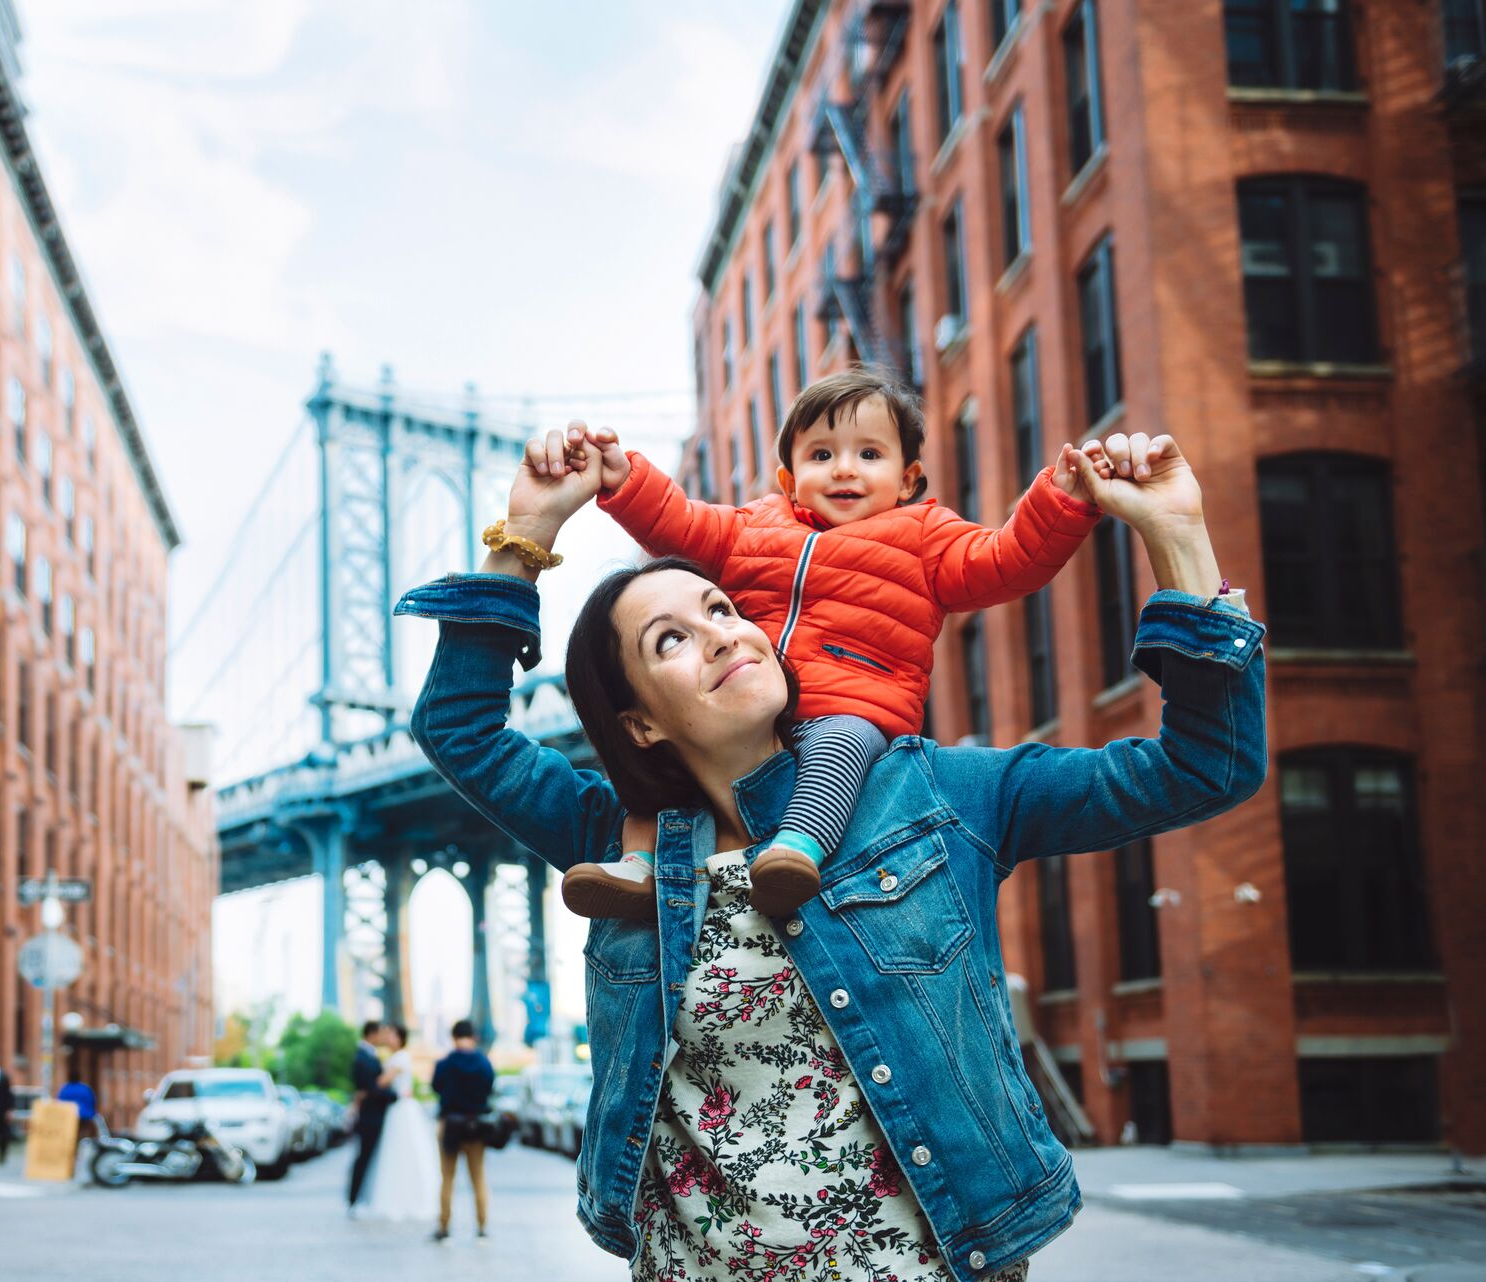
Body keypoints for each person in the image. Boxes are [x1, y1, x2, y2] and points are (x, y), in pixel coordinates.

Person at [393, 426, 1266, 1282]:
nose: (722, 636)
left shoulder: (933, 798)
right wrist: (528, 533)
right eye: (670, 641)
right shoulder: (615, 848)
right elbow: (459, 729)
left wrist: (1178, 537)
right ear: (640, 722)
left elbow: (1204, 767)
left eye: (722, 610)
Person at [563, 368, 1102, 920]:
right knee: (667, 775)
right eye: (821, 455)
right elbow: (680, 523)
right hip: (756, 705)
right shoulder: (754, 525)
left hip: (854, 705)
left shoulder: (925, 536)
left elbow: (1005, 561)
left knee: (837, 748)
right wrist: (626, 481)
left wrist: (1059, 502)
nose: (844, 468)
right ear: (789, 479)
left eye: (870, 454)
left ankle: (796, 850)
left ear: (908, 477)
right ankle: (637, 867)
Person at [352, 1022, 440, 1224]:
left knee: (401, 1153)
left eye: (390, 1034)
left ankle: (403, 1198)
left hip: (401, 1109)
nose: (386, 1038)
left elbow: (380, 1083)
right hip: (395, 1109)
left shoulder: (400, 1058)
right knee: (395, 1154)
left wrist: (363, 1091)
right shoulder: (392, 1058)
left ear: (399, 1038)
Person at [431, 1019, 497, 1242]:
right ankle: (482, 1226)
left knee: (447, 1178)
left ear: (453, 1037)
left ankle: (444, 1225)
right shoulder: (483, 1063)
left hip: (450, 1125)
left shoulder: (445, 1063)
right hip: (476, 1126)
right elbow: (489, 1086)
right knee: (478, 1177)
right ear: (474, 1037)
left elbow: (436, 1086)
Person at [347, 1020, 397, 1213]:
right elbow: (370, 1088)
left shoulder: (369, 1056)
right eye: (381, 1034)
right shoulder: (362, 1058)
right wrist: (394, 1096)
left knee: (369, 1158)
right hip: (370, 1117)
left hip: (374, 1115)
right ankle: (355, 1200)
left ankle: (360, 1199)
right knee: (364, 1158)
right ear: (372, 1034)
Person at [56, 1070, 97, 1140]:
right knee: (82, 1132)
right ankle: (83, 1142)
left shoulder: (65, 1089)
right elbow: (92, 1102)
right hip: (84, 1116)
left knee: (71, 1133)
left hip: (70, 1116)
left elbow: (59, 1104)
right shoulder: (85, 1089)